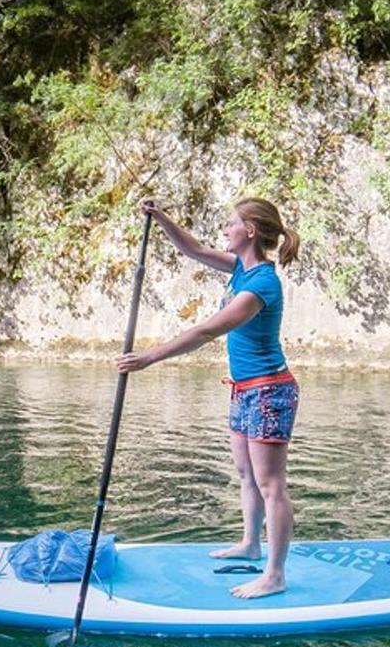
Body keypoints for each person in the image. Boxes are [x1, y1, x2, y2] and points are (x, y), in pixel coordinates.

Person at [117, 197, 301, 599]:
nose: (224, 229)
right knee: (245, 474)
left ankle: (275, 574)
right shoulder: (240, 269)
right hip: (243, 389)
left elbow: (206, 331)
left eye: (231, 223)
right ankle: (251, 544)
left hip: (270, 390)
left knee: (271, 485)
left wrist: (149, 357)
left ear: (249, 231)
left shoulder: (261, 284)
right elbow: (194, 250)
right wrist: (161, 216)